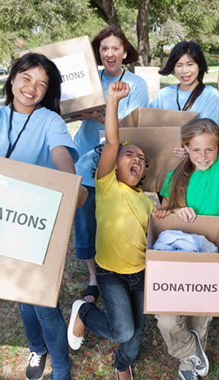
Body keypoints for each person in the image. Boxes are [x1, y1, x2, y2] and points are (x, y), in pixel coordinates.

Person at [0, 52, 86, 380]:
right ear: (13, 78)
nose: (32, 88)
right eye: (27, 78)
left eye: (42, 84)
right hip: (1, 220)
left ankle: (60, 366)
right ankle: (38, 348)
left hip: (38, 223)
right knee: (21, 293)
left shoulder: (50, 120)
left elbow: (60, 153)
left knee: (42, 300)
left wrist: (69, 181)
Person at [67, 81, 161, 380]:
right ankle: (83, 312)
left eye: (142, 159)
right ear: (113, 164)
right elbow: (110, 142)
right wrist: (113, 101)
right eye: (129, 154)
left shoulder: (146, 203)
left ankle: (122, 363)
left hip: (141, 274)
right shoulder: (106, 185)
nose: (136, 159)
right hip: (111, 273)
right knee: (123, 329)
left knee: (137, 330)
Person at [152, 65, 219, 380]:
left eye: (209, 149)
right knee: (166, 317)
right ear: (185, 148)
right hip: (175, 250)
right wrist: (177, 212)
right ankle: (188, 351)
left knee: (200, 312)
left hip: (206, 250)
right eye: (196, 149)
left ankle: (190, 360)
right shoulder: (175, 176)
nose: (203, 155)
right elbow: (161, 215)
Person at [72, 26, 150, 304]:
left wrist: (101, 114)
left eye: (115, 48)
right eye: (104, 49)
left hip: (116, 168)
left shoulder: (135, 85)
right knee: (86, 224)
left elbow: (130, 124)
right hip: (84, 160)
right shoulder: (88, 82)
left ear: (125, 51)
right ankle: (93, 279)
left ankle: (118, 274)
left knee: (115, 224)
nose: (109, 53)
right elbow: (66, 108)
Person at [149, 41, 219, 125]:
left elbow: (213, 131)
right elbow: (149, 124)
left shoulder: (211, 95)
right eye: (179, 65)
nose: (185, 71)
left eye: (190, 64)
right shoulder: (162, 95)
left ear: (199, 66)